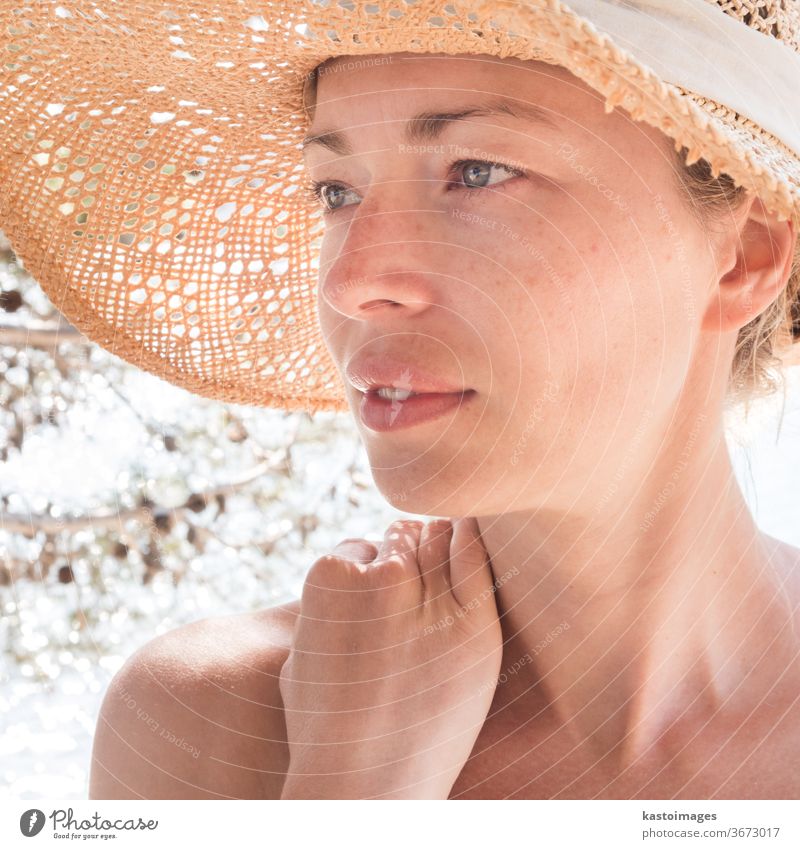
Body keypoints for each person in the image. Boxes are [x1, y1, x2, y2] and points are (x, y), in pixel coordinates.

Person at [1, 0, 798, 801]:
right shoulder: (208, 721)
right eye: (337, 192)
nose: (350, 282)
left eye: (477, 172)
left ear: (745, 256)